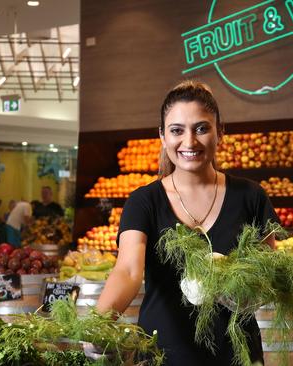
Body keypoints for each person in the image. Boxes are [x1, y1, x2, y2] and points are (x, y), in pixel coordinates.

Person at [95, 81, 278, 365]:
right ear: (162, 136)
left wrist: (243, 289)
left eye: (202, 128)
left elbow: (268, 272)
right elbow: (128, 271)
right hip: (163, 354)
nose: (189, 142)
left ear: (220, 133)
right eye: (177, 130)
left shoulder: (251, 196)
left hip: (237, 354)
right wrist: (98, 323)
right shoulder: (143, 202)